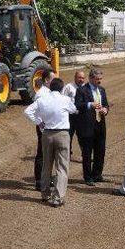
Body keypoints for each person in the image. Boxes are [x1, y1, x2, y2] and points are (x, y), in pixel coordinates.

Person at [25, 78, 78, 207]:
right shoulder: (66, 99)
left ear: (50, 87)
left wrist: (39, 122)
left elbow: (27, 111)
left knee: (46, 165)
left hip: (47, 133)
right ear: (61, 88)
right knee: (62, 167)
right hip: (62, 134)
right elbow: (74, 110)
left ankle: (45, 194)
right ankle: (58, 197)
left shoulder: (43, 99)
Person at [75, 67, 109, 186]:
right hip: (87, 126)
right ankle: (88, 176)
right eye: (97, 79)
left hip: (100, 124)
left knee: (100, 151)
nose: (99, 81)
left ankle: (97, 174)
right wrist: (90, 104)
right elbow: (77, 105)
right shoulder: (82, 90)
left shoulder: (102, 90)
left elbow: (106, 105)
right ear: (90, 78)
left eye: (100, 79)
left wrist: (105, 109)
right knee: (87, 152)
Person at [33, 69, 56, 190]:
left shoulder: (50, 92)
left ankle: (47, 178)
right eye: (53, 78)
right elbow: (36, 113)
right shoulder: (41, 94)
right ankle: (39, 181)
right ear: (47, 80)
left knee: (49, 154)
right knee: (42, 153)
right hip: (44, 128)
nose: (55, 80)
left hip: (51, 126)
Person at [62, 70, 86, 156]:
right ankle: (67, 154)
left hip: (81, 117)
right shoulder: (68, 87)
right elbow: (62, 100)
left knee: (83, 137)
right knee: (68, 136)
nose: (81, 80)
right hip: (70, 117)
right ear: (75, 77)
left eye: (83, 78)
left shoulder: (85, 88)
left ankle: (85, 155)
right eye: (79, 77)